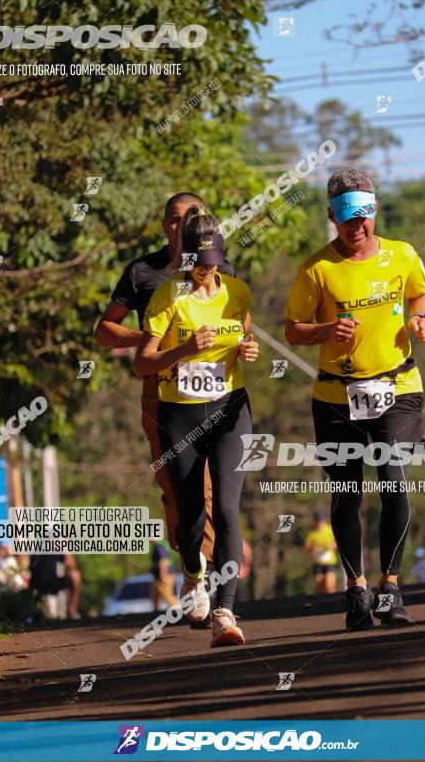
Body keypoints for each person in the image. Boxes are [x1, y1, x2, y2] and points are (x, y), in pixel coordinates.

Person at [285, 168, 425, 631]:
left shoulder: (402, 254)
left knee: (394, 481)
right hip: (335, 393)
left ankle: (390, 588)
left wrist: (419, 320)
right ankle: (356, 590)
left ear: (375, 210)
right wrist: (327, 330)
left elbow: (423, 294)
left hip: (398, 387)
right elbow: (293, 329)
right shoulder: (317, 268)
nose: (357, 228)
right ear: (331, 216)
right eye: (347, 219)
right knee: (347, 493)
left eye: (364, 217)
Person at [95, 194, 236, 583]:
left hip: (214, 392)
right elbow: (103, 331)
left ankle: (205, 582)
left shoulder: (222, 268)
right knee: (179, 491)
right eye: (174, 219)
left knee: (208, 490)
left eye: (192, 217)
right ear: (164, 225)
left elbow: (237, 327)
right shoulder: (144, 271)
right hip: (161, 394)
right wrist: (154, 338)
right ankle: (195, 564)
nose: (182, 225)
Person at [134, 206, 259, 647]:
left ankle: (226, 612)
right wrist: (182, 349)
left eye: (213, 263)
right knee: (191, 516)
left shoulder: (238, 293)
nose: (207, 271)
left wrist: (247, 351)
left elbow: (245, 335)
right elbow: (140, 362)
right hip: (179, 412)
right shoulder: (168, 296)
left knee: (226, 510)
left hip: (229, 409)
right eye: (199, 263)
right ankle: (193, 575)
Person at [29, 553, 81, 619]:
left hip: (35, 584)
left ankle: (33, 609)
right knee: (76, 576)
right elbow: (72, 565)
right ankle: (72, 612)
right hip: (50, 584)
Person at [304, 511, 338, 593]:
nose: (319, 523)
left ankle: (335, 601)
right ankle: (326, 603)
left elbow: (338, 542)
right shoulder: (312, 534)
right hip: (318, 563)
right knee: (320, 585)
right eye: (317, 520)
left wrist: (331, 545)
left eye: (320, 520)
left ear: (324, 520)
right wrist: (312, 548)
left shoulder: (330, 529)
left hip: (330, 562)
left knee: (329, 585)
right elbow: (306, 549)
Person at [150, 540, 177, 610]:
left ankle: (177, 610)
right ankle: (155, 614)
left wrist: (163, 576)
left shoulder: (159, 546)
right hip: (159, 575)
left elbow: (162, 561)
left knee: (166, 593)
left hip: (164, 575)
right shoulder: (163, 544)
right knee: (154, 594)